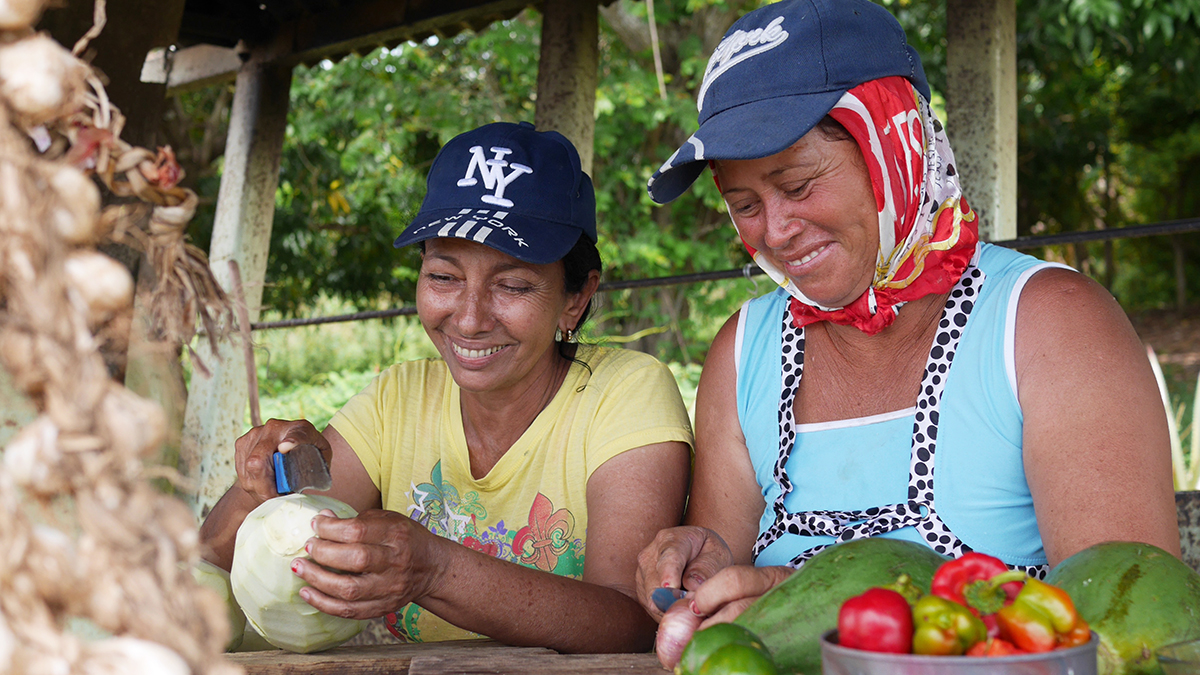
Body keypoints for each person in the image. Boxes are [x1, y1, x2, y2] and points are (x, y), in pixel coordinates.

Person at [633, 0, 1181, 665]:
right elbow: (726, 618)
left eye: (799, 185)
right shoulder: (743, 350)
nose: (772, 232)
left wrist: (831, 609)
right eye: (744, 203)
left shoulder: (1052, 324)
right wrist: (702, 571)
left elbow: (1129, 630)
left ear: (894, 146)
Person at [199, 121, 693, 654]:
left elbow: (632, 620)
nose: (471, 318)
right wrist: (261, 481)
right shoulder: (399, 399)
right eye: (443, 277)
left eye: (512, 284)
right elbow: (210, 561)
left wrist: (434, 569)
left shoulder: (625, 395)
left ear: (575, 298)